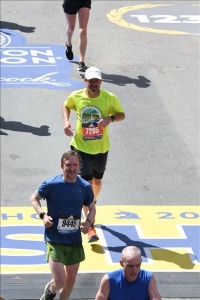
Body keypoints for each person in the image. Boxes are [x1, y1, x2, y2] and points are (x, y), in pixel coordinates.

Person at [62, 66, 125, 243]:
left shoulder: (109, 98)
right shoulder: (77, 96)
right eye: (90, 81)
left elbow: (121, 114)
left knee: (97, 182)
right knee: (87, 185)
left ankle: (91, 204)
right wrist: (66, 122)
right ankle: (90, 224)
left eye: (96, 81)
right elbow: (66, 106)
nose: (94, 84)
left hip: (101, 148)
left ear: (101, 82)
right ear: (85, 82)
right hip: (81, 148)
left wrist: (110, 119)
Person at [30, 150, 96, 300]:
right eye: (68, 165)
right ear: (62, 165)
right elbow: (34, 198)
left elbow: (92, 208)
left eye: (75, 165)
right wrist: (43, 215)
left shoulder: (85, 187)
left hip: (74, 240)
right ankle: (50, 290)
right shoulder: (51, 184)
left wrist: (88, 223)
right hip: (54, 239)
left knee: (71, 280)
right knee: (60, 281)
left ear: (79, 166)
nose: (72, 168)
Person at [95, 246, 162, 300]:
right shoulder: (109, 280)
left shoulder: (148, 278)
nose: (134, 270)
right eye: (130, 266)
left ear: (141, 261)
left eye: (137, 265)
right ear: (121, 263)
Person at [62, 0, 91, 71]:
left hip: (84, 2)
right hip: (70, 2)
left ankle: (81, 61)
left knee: (83, 30)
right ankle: (68, 44)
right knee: (71, 28)